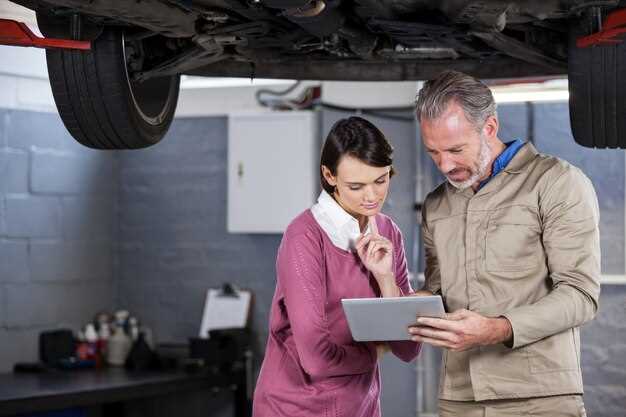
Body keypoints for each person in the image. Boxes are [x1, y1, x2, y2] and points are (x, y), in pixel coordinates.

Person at [409, 70, 600, 417]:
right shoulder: (437, 204)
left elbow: (581, 296)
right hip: (459, 397)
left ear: (490, 128)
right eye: (433, 152)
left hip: (539, 397)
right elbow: (438, 292)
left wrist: (496, 328)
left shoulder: (555, 183)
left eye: (455, 149)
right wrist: (403, 302)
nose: (445, 165)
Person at [253, 116, 421, 417]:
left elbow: (408, 350)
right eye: (356, 186)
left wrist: (385, 278)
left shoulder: (387, 231)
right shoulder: (304, 236)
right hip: (294, 408)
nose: (371, 197)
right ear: (329, 176)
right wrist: (371, 352)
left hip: (360, 406)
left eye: (381, 181)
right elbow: (316, 359)